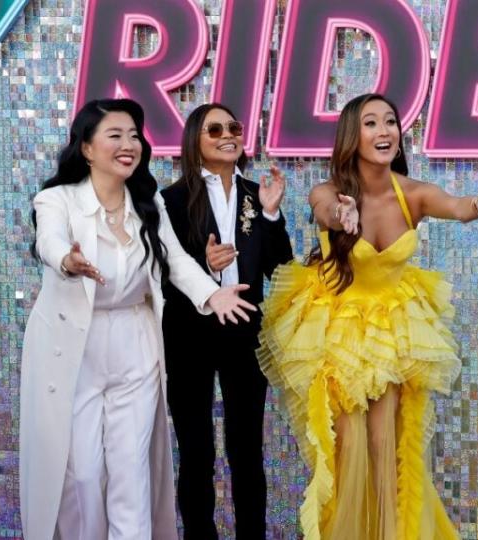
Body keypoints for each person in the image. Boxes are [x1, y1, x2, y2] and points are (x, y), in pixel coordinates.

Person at [258, 93, 478, 539]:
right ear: (352, 137)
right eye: (371, 123)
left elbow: (458, 207)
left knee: (386, 446)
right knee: (350, 445)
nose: (384, 131)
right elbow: (325, 211)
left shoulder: (413, 194)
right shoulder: (328, 190)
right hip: (337, 329)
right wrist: (343, 214)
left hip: (391, 328)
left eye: (390, 122)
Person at [20, 98, 256, 540]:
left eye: (134, 136)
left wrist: (212, 294)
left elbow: (179, 262)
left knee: (131, 471)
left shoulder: (147, 202)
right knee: (84, 475)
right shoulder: (56, 199)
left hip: (135, 343)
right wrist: (67, 261)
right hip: (76, 347)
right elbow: (48, 242)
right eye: (115, 135)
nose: (129, 144)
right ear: (87, 148)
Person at [160, 103, 293, 539]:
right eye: (214, 129)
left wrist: (271, 215)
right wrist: (207, 263)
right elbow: (164, 270)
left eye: (233, 127)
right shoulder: (170, 200)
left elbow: (281, 265)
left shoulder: (259, 194)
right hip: (188, 334)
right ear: (195, 141)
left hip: (245, 333)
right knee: (196, 450)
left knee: (246, 450)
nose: (227, 134)